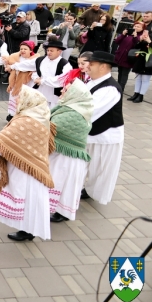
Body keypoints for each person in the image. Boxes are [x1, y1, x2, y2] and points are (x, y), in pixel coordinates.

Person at [0, 86, 55, 242]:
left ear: (29, 101)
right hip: (33, 168)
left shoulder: (26, 121)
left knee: (6, 192)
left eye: (20, 97)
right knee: (29, 200)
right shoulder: (41, 117)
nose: (17, 99)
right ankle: (27, 230)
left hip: (20, 169)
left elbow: (2, 142)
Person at [81, 51, 124, 204]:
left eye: (91, 64)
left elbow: (89, 112)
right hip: (89, 133)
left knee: (101, 170)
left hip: (105, 136)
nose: (87, 67)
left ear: (103, 67)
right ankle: (75, 193)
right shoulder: (91, 81)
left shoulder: (110, 89)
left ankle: (94, 193)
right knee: (81, 165)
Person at [49, 79, 94, 222]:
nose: (62, 91)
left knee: (62, 183)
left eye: (66, 90)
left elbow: (52, 127)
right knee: (59, 182)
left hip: (69, 158)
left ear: (75, 94)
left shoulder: (75, 114)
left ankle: (62, 212)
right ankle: (57, 209)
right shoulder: (70, 106)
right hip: (61, 155)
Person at [10, 38, 72, 108]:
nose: (49, 52)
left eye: (51, 51)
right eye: (48, 50)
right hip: (39, 93)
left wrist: (42, 81)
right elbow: (27, 64)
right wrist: (12, 66)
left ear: (59, 51)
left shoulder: (65, 64)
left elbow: (62, 79)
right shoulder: (41, 60)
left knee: (50, 115)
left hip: (53, 97)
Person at [3, 41, 37, 121]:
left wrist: (12, 67)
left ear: (31, 50)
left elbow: (25, 67)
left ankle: (23, 116)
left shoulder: (34, 60)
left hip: (27, 83)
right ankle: (12, 115)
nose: (23, 51)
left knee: (24, 99)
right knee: (14, 97)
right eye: (21, 49)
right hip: (16, 82)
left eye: (25, 49)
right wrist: (6, 63)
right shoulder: (16, 57)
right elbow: (8, 64)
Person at [114, 22, 144, 92]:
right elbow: (117, 41)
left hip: (129, 57)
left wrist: (135, 37)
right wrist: (123, 34)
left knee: (124, 74)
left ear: (142, 29)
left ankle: (121, 89)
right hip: (120, 56)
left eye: (138, 27)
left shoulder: (140, 36)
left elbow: (136, 45)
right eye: (135, 26)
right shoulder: (128, 34)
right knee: (120, 72)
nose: (135, 28)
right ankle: (118, 87)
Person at [127, 29, 152, 103]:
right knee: (138, 78)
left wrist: (149, 42)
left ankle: (141, 95)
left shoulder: (149, 38)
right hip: (141, 59)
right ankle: (136, 93)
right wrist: (140, 40)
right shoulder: (148, 35)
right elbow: (137, 46)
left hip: (149, 60)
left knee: (145, 79)